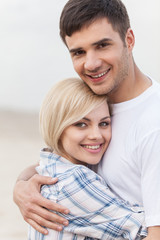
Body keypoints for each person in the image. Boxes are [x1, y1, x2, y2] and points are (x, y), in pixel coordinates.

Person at [13, 0, 160, 239]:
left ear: (129, 40)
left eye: (102, 45)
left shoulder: (154, 123)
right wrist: (22, 187)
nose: (90, 64)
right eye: (79, 52)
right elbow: (64, 165)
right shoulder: (95, 104)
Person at [29, 77, 147, 240]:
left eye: (104, 123)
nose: (96, 135)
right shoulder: (72, 181)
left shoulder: (50, 167)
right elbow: (144, 230)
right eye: (81, 124)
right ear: (57, 127)